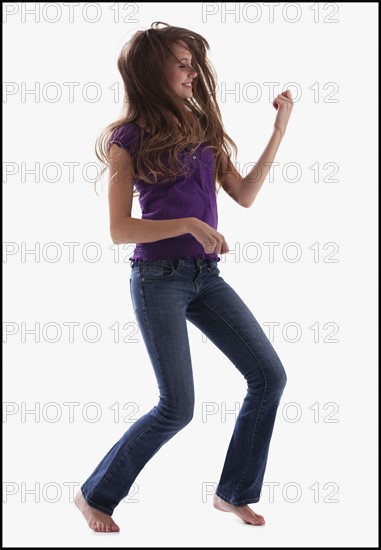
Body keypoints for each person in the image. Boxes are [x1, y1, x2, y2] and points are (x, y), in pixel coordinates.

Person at [75, 21, 293, 533]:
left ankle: (233, 492)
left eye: (193, 63)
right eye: (182, 63)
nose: (191, 73)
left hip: (205, 278)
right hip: (157, 279)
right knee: (177, 407)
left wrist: (279, 131)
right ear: (154, 71)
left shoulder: (202, 129)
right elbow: (119, 229)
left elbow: (243, 195)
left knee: (269, 377)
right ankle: (95, 494)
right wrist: (191, 224)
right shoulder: (126, 138)